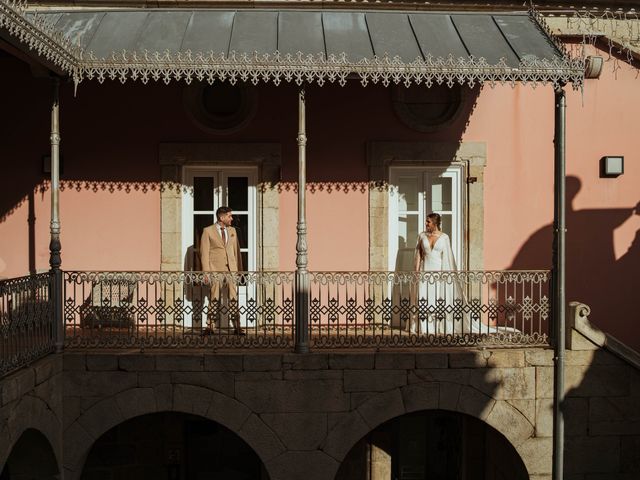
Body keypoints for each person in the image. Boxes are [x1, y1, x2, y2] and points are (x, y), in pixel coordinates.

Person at [408, 212, 464, 335]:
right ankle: (424, 327)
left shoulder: (444, 237)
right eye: (426, 221)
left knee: (437, 299)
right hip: (424, 272)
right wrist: (416, 273)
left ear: (435, 223)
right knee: (424, 298)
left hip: (439, 273)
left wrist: (447, 276)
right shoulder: (422, 236)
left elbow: (448, 258)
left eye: (428, 222)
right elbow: (418, 255)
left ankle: (439, 326)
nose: (426, 224)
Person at [200, 206, 244, 335]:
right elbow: (204, 253)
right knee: (214, 298)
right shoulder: (207, 231)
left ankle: (237, 326)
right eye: (229, 216)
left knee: (233, 298)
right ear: (221, 217)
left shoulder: (233, 231)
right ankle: (210, 326)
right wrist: (206, 272)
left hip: (231, 270)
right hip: (215, 270)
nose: (232, 218)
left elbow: (237, 251)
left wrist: (239, 271)